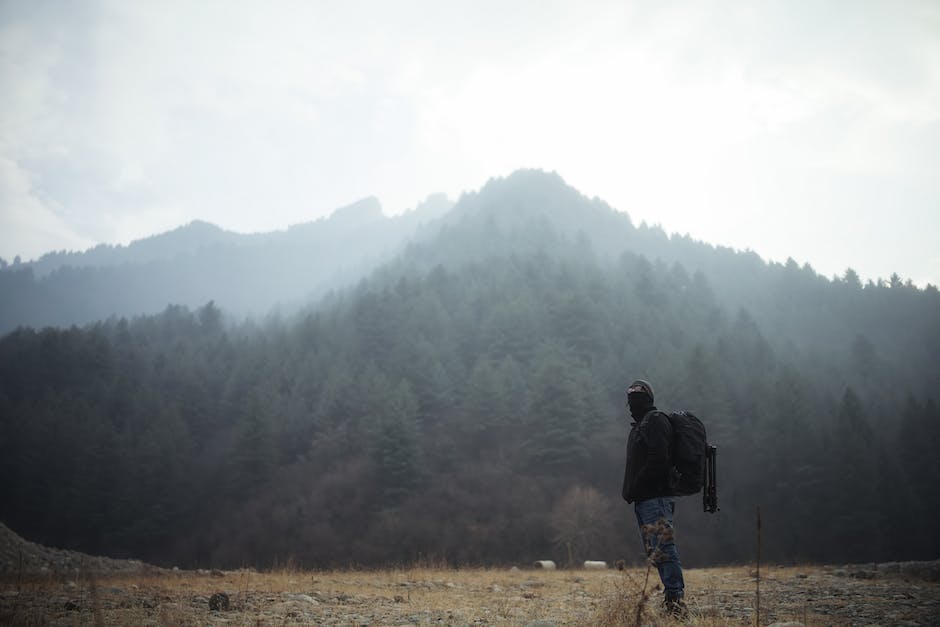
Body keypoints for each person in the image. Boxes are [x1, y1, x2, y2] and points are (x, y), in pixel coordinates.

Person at [621, 379, 688, 618]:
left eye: (637, 398)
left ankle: (675, 602)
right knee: (656, 551)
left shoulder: (656, 421)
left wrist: (638, 484)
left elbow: (658, 459)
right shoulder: (641, 424)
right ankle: (672, 600)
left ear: (648, 399)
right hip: (645, 499)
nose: (632, 404)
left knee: (664, 549)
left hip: (655, 497)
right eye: (630, 399)